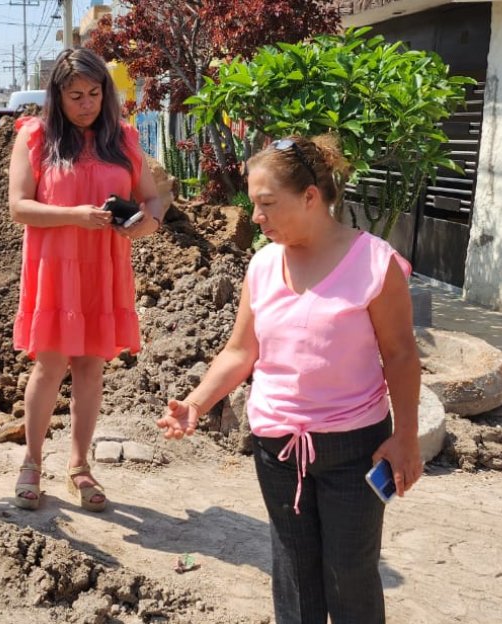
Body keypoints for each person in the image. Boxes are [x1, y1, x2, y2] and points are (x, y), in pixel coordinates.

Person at [157, 135, 423, 623]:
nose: (255, 216)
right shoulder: (261, 265)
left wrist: (406, 436)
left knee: (350, 575)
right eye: (254, 204)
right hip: (277, 448)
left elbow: (402, 355)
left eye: (265, 204)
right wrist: (196, 402)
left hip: (355, 448)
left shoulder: (374, 263)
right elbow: (241, 351)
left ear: (310, 197)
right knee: (293, 573)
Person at [7, 48, 165, 512]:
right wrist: (75, 215)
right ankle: (31, 463)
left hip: (105, 268)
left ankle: (79, 467)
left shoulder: (125, 139)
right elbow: (19, 206)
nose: (86, 103)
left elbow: (153, 200)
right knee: (50, 364)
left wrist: (146, 222)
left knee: (92, 367)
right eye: (75, 95)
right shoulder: (35, 138)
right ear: (57, 97)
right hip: (56, 267)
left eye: (94, 93)